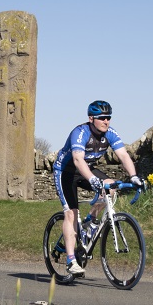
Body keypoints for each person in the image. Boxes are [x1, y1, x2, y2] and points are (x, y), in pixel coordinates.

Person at [53, 100, 144, 275]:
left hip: (87, 168)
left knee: (111, 187)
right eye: (102, 118)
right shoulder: (80, 133)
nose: (106, 121)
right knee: (71, 213)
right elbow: (78, 160)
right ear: (91, 118)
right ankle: (71, 260)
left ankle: (91, 220)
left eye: (108, 117)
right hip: (66, 171)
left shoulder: (110, 133)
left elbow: (123, 155)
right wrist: (93, 179)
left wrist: (133, 176)